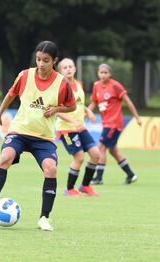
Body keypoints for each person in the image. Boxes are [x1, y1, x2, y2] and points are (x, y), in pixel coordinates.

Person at [0, 41, 76, 231]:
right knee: (5, 157)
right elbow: (11, 94)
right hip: (19, 131)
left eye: (46, 60)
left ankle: (44, 217)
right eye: (38, 59)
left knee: (50, 169)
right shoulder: (25, 75)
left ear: (54, 61)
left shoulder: (62, 83)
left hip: (44, 137)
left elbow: (72, 105)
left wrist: (57, 108)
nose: (41, 64)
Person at [88, 63, 141, 185]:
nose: (103, 75)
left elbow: (128, 101)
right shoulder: (96, 86)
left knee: (101, 147)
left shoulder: (115, 86)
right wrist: (87, 112)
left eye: (106, 72)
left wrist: (137, 117)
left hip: (114, 123)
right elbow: (93, 103)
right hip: (106, 123)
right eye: (101, 72)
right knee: (113, 151)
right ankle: (131, 175)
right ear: (98, 73)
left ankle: (99, 178)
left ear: (110, 74)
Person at [55, 58, 100, 197]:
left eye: (70, 66)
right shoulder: (60, 87)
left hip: (80, 127)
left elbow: (79, 104)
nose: (68, 69)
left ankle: (85, 186)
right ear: (60, 71)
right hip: (67, 129)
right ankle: (69, 189)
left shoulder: (78, 84)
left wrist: (89, 111)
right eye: (65, 67)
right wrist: (73, 122)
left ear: (75, 69)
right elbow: (56, 110)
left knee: (96, 154)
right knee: (79, 157)